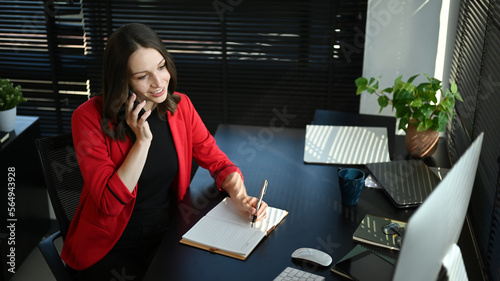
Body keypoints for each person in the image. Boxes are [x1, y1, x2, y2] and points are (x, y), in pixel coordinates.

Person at [62, 22, 268, 280]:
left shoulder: (180, 107)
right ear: (122, 79)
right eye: (142, 76)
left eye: (161, 66)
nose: (159, 82)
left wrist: (241, 197)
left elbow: (219, 163)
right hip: (112, 245)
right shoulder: (88, 118)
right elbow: (109, 204)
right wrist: (142, 142)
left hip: (168, 233)